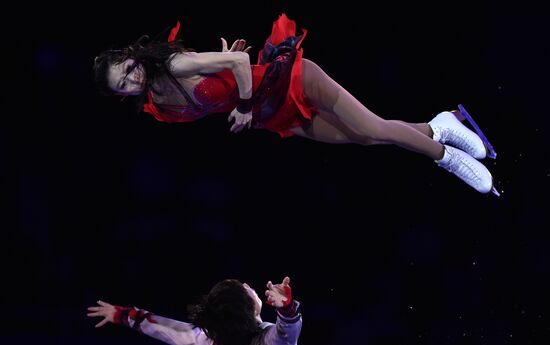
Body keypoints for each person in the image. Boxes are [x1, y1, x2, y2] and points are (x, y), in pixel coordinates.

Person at [93, 13, 498, 195]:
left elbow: (237, 63)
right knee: (366, 139)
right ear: (119, 97)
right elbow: (229, 72)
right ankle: (440, 126)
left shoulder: (173, 64)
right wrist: (233, 84)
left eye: (128, 68)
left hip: (293, 82)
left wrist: (243, 96)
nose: (133, 79)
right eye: (124, 84)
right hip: (273, 114)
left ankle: (446, 156)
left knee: (374, 128)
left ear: (133, 56)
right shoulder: (157, 105)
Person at [87, 276, 305, 345]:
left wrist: (121, 314)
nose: (249, 286)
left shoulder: (210, 344)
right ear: (249, 310)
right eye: (245, 289)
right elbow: (286, 333)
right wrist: (286, 308)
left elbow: (164, 328)